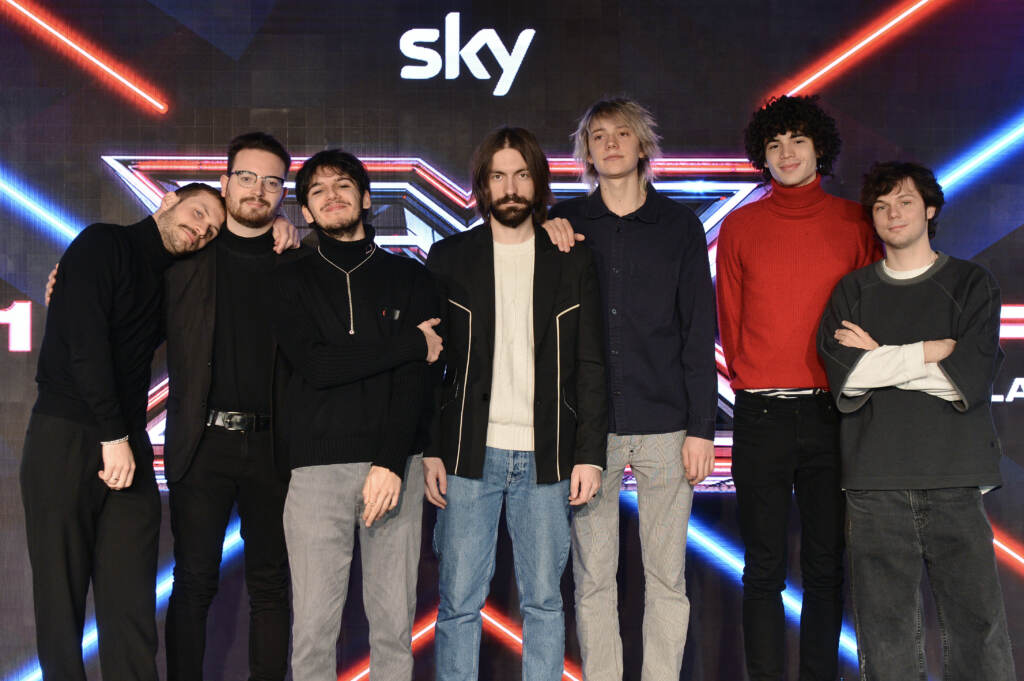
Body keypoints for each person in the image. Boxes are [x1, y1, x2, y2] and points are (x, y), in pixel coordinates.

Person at [818, 161, 1015, 681]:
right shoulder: (851, 292)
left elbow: (966, 380)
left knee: (978, 632)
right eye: (881, 206)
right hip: (874, 484)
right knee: (885, 641)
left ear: (929, 209)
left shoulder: (971, 283)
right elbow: (847, 380)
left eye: (905, 202)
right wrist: (929, 351)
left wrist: (879, 358)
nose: (893, 214)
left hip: (955, 478)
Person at [543, 97, 717, 681]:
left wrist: (701, 428)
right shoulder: (565, 224)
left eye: (622, 133)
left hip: (668, 427)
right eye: (598, 135)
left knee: (666, 577)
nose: (611, 143)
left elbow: (698, 332)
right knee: (593, 579)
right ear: (586, 152)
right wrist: (544, 232)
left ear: (643, 145)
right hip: (591, 433)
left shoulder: (680, 227)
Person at [424, 126, 607, 681]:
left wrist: (590, 454)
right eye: (499, 176)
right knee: (458, 602)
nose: (510, 187)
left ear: (538, 182)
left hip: (548, 455)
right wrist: (431, 449)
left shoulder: (570, 256)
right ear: (482, 186)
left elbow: (591, 362)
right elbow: (429, 365)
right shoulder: (450, 257)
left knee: (545, 603)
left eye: (522, 175)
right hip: (467, 454)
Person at [22, 183, 225, 681]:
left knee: (131, 603)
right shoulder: (102, 243)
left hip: (126, 442)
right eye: (199, 213)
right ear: (169, 201)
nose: (202, 229)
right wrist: (113, 437)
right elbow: (84, 344)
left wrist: (284, 228)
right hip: (67, 433)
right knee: (60, 600)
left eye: (212, 229)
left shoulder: (179, 281)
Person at [715, 94, 881, 681]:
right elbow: (731, 321)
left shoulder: (856, 223)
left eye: (798, 141)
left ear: (820, 149)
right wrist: (758, 379)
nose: (786, 153)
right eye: (774, 144)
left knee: (825, 568)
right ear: (762, 155)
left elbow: (873, 314)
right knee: (762, 568)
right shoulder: (740, 225)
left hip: (833, 414)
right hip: (760, 415)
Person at [272, 149, 442, 681]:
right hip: (315, 472)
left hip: (395, 467)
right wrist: (408, 343)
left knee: (393, 630)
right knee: (313, 633)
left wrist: (390, 462)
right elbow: (317, 366)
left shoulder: (410, 276)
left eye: (343, 185)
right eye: (317, 190)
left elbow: (417, 383)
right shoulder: (288, 278)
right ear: (305, 211)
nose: (332, 196)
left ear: (366, 199)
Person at [163, 132, 302, 681]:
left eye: (272, 182)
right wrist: (70, 279)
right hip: (202, 444)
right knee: (193, 582)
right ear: (225, 182)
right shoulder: (188, 255)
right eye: (246, 177)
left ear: (282, 193)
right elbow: (120, 288)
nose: (257, 190)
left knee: (271, 584)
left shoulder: (297, 259)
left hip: (276, 446)